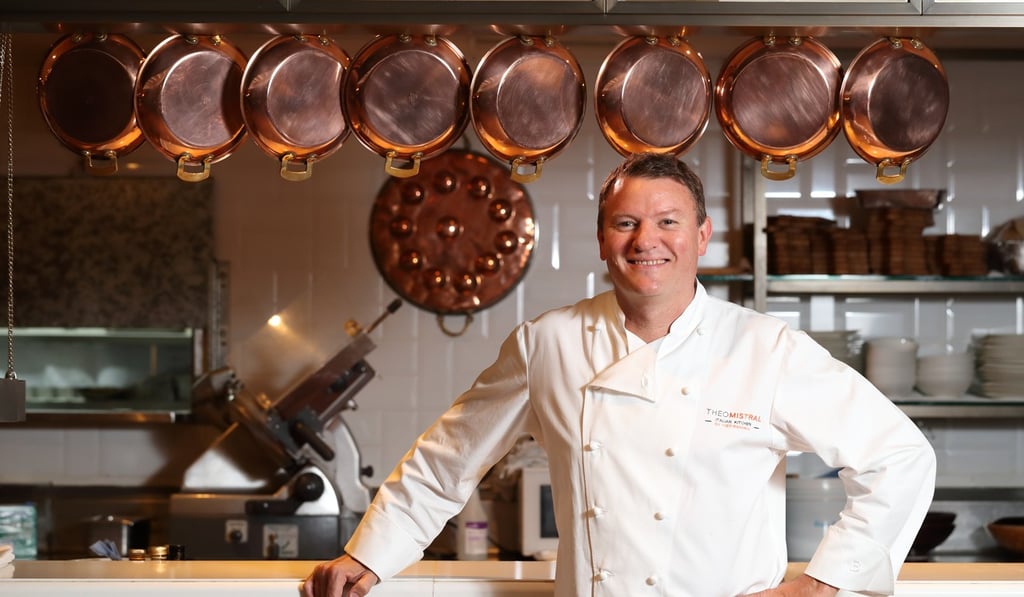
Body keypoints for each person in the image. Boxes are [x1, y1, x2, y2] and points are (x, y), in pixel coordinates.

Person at [301, 152, 936, 597]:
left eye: (668, 222)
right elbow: (447, 461)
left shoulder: (765, 348)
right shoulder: (546, 344)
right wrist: (369, 555)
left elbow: (901, 456)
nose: (646, 241)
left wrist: (820, 586)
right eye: (626, 223)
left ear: (701, 237)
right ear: (603, 239)